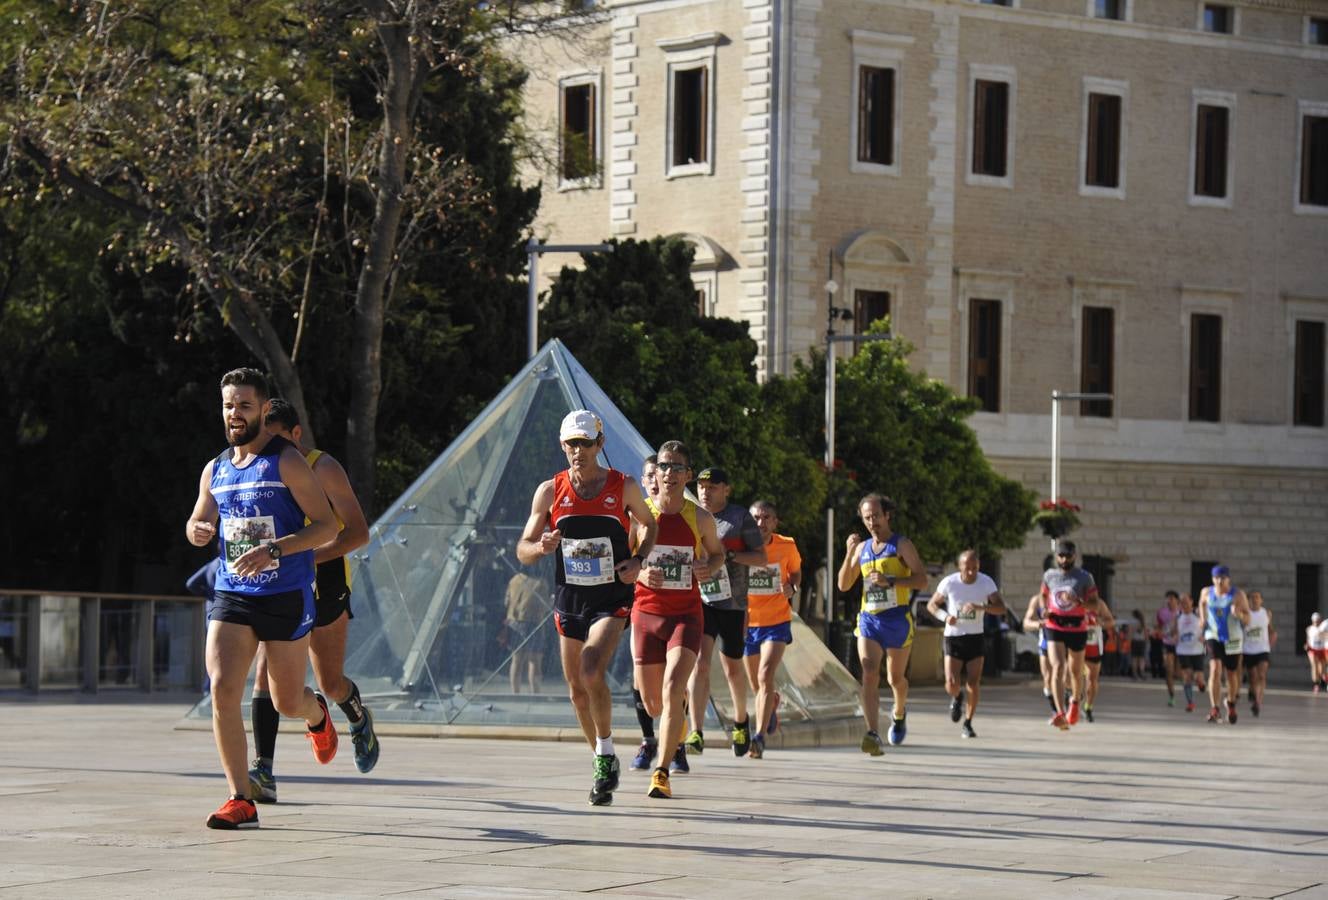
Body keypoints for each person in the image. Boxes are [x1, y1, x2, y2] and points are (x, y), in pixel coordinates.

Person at [185, 367, 339, 830]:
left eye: (244, 406)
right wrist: (196, 530)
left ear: (263, 409)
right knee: (222, 688)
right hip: (233, 592)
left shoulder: (287, 462)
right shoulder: (215, 468)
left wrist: (276, 548)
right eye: (229, 405)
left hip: (286, 592)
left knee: (286, 700)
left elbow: (327, 526)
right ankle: (240, 798)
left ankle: (316, 715)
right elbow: (198, 521)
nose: (235, 414)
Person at [515, 410, 656, 806]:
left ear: (600, 444)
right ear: (563, 446)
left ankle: (606, 750)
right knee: (577, 690)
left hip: (611, 598)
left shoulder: (622, 486)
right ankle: (602, 758)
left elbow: (649, 525)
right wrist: (540, 546)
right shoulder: (550, 491)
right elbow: (523, 549)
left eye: (586, 443)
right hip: (569, 600)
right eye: (571, 443)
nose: (579, 451)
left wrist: (639, 559)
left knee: (592, 667)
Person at [246, 398, 377, 805]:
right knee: (265, 670)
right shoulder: (259, 468)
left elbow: (358, 534)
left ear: (297, 435)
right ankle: (263, 770)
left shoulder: (324, 469)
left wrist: (304, 553)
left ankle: (357, 718)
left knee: (330, 680)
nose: (273, 452)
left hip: (325, 579)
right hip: (281, 582)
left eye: (280, 442)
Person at [630, 440, 725, 799]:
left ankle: (661, 771)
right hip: (646, 615)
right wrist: (640, 574)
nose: (668, 474)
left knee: (673, 689)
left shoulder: (699, 517)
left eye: (676, 468)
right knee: (654, 703)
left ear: (687, 474)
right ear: (655, 473)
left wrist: (707, 568)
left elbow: (717, 556)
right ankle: (675, 723)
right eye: (664, 467)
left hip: (685, 616)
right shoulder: (640, 516)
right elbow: (622, 562)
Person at [837, 493, 928, 754]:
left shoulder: (901, 544)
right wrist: (848, 553)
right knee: (868, 672)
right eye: (867, 518)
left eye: (876, 516)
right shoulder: (862, 548)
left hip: (897, 618)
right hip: (869, 619)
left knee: (895, 678)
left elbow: (922, 580)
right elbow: (843, 584)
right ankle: (872, 732)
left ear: (887, 515)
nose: (871, 522)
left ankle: (899, 712)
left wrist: (892, 581)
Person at [686, 467, 766, 762]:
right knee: (699, 664)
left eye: (713, 486)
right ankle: (696, 731)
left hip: (733, 603)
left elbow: (761, 557)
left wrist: (728, 557)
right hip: (702, 600)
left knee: (732, 667)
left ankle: (741, 721)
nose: (705, 491)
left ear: (726, 490)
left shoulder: (739, 517)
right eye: (702, 486)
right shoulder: (692, 514)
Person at [743, 499, 802, 758]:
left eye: (766, 518)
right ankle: (771, 704)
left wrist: (794, 587)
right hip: (748, 623)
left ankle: (758, 737)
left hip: (776, 621)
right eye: (756, 517)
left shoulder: (786, 545)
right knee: (757, 685)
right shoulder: (740, 546)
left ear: (775, 522)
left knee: (766, 676)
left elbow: (797, 573)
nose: (761, 523)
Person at [926, 550, 1004, 739]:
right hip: (954, 636)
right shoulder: (949, 582)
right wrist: (946, 617)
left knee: (973, 683)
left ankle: (968, 723)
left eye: (974, 568)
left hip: (976, 636)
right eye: (967, 568)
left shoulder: (986, 582)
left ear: (979, 567)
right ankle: (957, 697)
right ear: (959, 566)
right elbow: (931, 605)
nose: (971, 572)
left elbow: (1001, 607)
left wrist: (981, 607)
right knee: (951, 682)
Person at [1039, 540, 1102, 731]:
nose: (1064, 559)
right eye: (1061, 555)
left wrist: (1079, 601)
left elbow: (1095, 604)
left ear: (1074, 556)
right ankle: (1059, 712)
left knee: (1075, 672)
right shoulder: (1049, 575)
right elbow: (1043, 595)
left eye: (1068, 555)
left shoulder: (1084, 577)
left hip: (1076, 627)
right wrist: (1044, 610)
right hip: (1054, 625)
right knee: (1057, 667)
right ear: (1056, 556)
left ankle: (1075, 700)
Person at [628, 455, 662, 770]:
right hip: (642, 606)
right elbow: (622, 563)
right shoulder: (634, 518)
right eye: (649, 475)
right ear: (643, 481)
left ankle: (676, 743)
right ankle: (648, 739)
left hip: (680, 610)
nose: (654, 480)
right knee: (639, 679)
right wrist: (639, 573)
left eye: (659, 474)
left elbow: (706, 559)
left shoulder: (688, 514)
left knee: (676, 679)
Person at [1198, 564, 1251, 724]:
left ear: (1228, 579)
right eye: (1216, 578)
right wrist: (1202, 619)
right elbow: (1201, 603)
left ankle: (1231, 703)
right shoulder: (1206, 592)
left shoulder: (1238, 595)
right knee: (1214, 669)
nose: (1220, 581)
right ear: (1212, 579)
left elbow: (1248, 619)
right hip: (1213, 635)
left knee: (1231, 673)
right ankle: (1215, 709)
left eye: (1223, 578)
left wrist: (1239, 614)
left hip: (1233, 638)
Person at [503, 571, 549, 693]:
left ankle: (515, 692)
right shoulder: (541, 583)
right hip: (534, 623)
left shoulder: (514, 579)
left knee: (516, 660)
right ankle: (536, 693)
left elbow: (506, 602)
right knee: (534, 660)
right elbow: (544, 608)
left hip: (514, 623)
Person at [1022, 593, 1058, 714]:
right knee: (1047, 677)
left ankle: (1069, 701)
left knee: (1066, 676)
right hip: (1046, 642)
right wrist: (1038, 624)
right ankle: (1055, 710)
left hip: (1064, 641)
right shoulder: (1037, 599)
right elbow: (1026, 623)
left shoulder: (1064, 596)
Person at [1242, 590, 1275, 716]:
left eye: (1257, 598)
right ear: (1248, 600)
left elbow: (1270, 629)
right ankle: (1252, 691)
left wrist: (1270, 642)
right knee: (1253, 677)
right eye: (1252, 598)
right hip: (1248, 650)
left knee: (1262, 675)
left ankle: (1258, 702)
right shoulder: (1245, 613)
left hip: (1262, 649)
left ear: (1261, 600)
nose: (1255, 600)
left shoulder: (1266, 613)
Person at [1081, 603, 1116, 722]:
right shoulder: (1069, 600)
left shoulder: (1098, 603)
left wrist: (1100, 622)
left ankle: (1088, 707)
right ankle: (1072, 697)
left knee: (1091, 680)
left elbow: (1111, 622)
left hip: (1093, 645)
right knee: (1069, 675)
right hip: (1075, 642)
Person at [1175, 593, 1206, 712]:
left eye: (1186, 601)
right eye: (1181, 602)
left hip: (1197, 650)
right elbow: (1174, 629)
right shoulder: (1178, 616)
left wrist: (1205, 636)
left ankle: (1201, 683)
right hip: (1183, 650)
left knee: (1198, 677)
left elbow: (1207, 625)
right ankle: (1190, 703)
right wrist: (1174, 636)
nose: (1184, 604)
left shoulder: (1198, 613)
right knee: (1187, 676)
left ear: (1192, 601)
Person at [1156, 591, 1180, 706]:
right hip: (1167, 643)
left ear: (1177, 600)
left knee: (1179, 673)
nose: (1169, 601)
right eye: (1167, 599)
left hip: (1181, 645)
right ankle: (1172, 696)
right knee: (1168, 671)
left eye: (1171, 599)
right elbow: (1159, 627)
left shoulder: (1181, 611)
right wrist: (1157, 632)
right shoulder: (1161, 612)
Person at [1305, 612, 1327, 692]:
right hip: (1313, 649)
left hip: (1321, 649)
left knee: (1321, 669)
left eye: (1318, 620)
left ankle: (1322, 680)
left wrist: (1323, 634)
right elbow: (1308, 639)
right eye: (1315, 620)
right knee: (1314, 665)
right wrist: (1307, 645)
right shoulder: (1309, 629)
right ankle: (1316, 684)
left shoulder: (1323, 627)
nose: (1316, 622)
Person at [1129, 609, 1148, 680]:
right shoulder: (1143, 621)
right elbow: (1146, 632)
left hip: (1135, 641)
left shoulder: (1132, 622)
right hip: (1142, 641)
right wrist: (1146, 640)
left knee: (1134, 658)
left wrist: (1129, 640)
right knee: (1141, 658)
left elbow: (1130, 632)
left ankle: (1134, 673)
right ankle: (1142, 673)